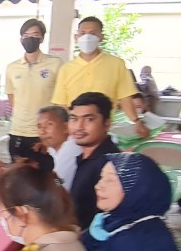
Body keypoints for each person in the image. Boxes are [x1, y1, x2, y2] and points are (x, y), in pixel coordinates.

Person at [51, 16, 145, 138]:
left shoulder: (116, 64)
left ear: (101, 37)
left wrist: (136, 121)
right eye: (83, 33)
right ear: (76, 37)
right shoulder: (66, 69)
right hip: (74, 133)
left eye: (92, 33)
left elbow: (125, 97)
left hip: (104, 131)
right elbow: (61, 104)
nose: (87, 37)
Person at [5, 18, 63, 169]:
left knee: (45, 175)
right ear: (21, 39)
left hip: (43, 134)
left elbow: (61, 100)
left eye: (35, 35)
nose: (30, 39)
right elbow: (12, 98)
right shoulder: (12, 67)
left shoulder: (55, 64)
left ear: (42, 38)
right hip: (18, 132)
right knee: (18, 176)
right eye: (26, 35)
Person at [68, 92, 122, 230]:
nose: (79, 126)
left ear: (107, 124)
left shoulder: (108, 165)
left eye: (89, 119)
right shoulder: (86, 156)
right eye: (74, 119)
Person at [34, 105, 82, 189]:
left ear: (66, 127)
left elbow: (60, 183)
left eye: (49, 124)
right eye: (39, 126)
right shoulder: (54, 147)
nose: (42, 131)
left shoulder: (70, 149)